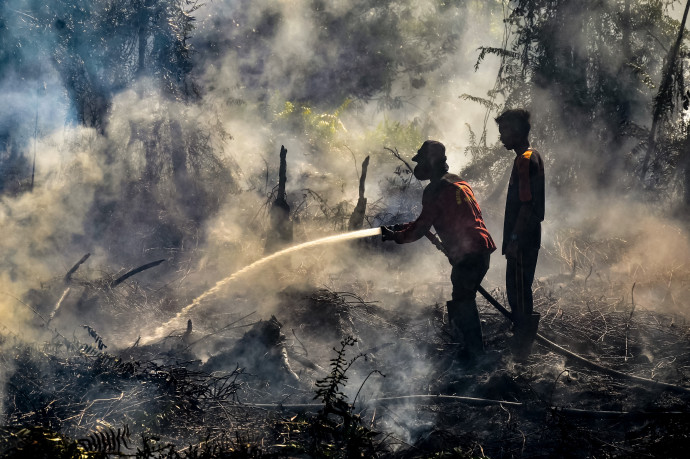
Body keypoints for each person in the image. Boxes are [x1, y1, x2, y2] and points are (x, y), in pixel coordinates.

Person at [381, 140, 496, 363]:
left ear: (432, 162)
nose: (418, 167)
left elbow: (422, 228)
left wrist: (398, 236)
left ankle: (473, 357)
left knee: (463, 300)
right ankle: (469, 351)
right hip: (480, 249)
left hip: (469, 252)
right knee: (463, 297)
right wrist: (403, 229)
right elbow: (431, 220)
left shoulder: (436, 189)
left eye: (422, 161)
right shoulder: (457, 181)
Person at [495, 109, 544, 358]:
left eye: (503, 131)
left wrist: (514, 239)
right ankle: (523, 344)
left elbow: (527, 205)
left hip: (523, 239)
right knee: (520, 289)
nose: (501, 137)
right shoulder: (530, 156)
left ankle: (523, 349)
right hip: (527, 236)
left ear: (515, 131)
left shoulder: (525, 159)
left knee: (518, 292)